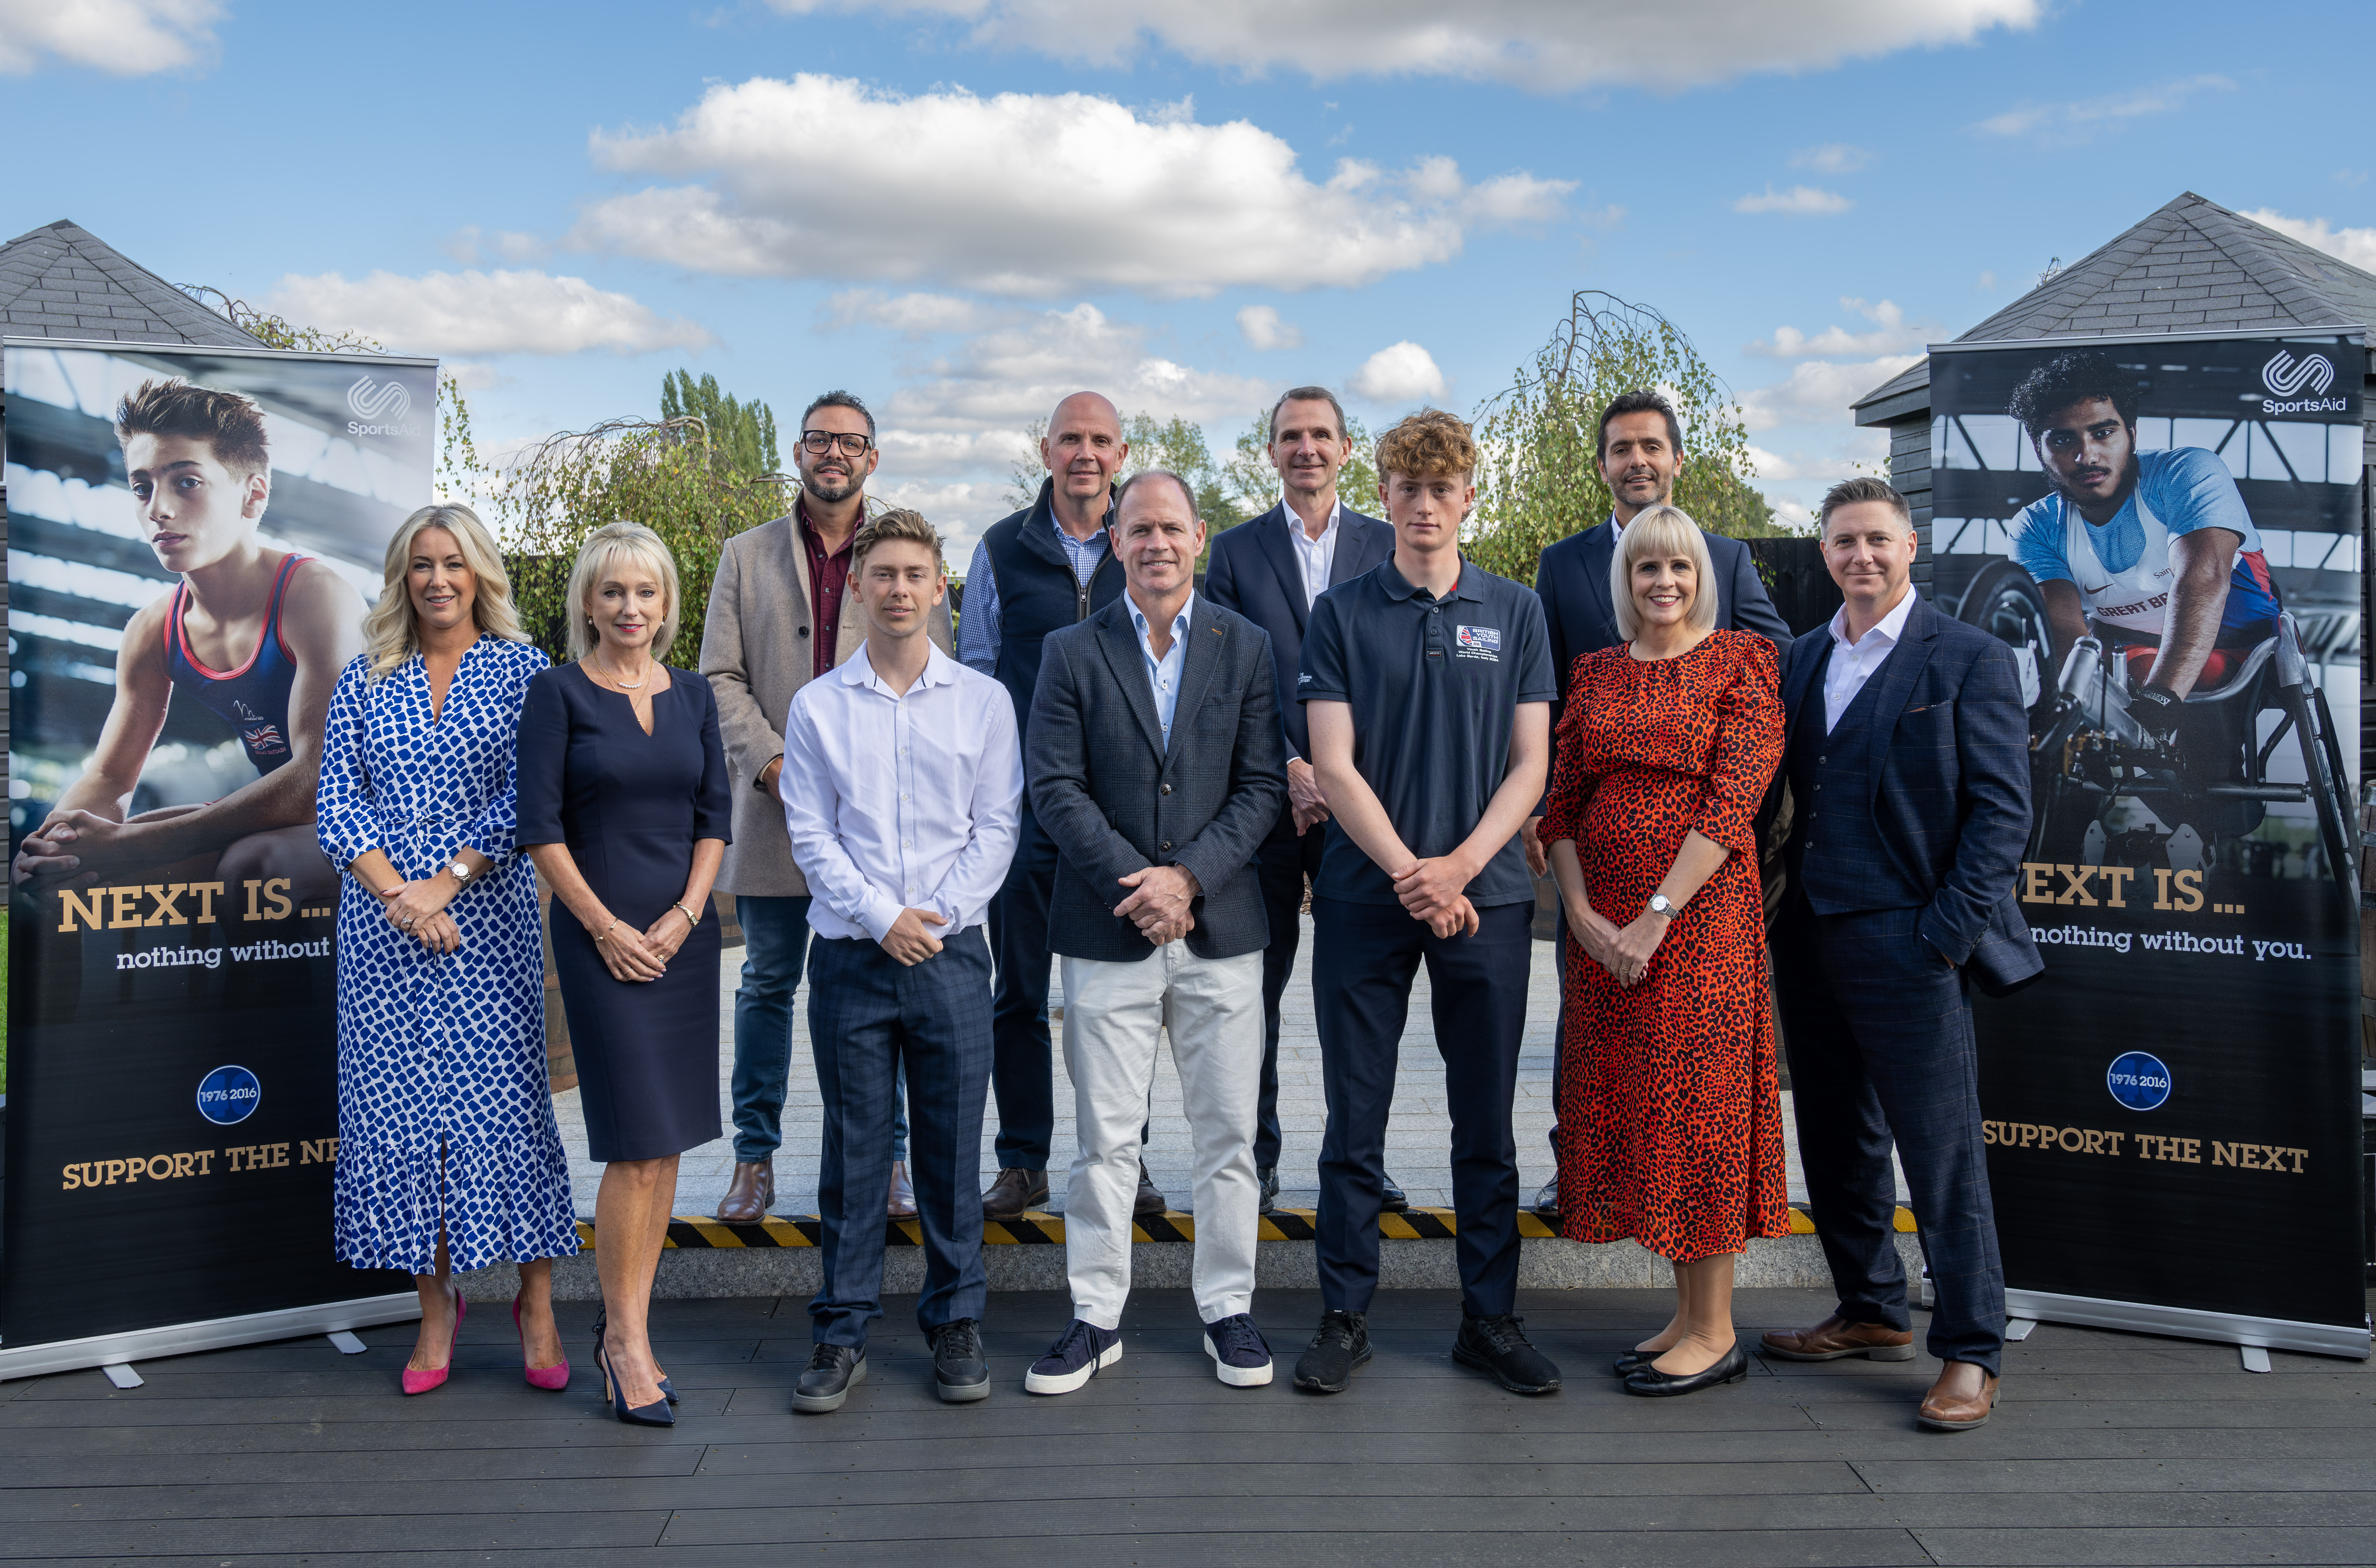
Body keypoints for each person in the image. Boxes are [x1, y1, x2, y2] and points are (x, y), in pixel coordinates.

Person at [1761, 477, 2040, 1433]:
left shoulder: (1969, 656)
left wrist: (1945, 935)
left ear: (1910, 547)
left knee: (1940, 1153)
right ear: (1826, 553)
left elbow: (2002, 814)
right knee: (1836, 1139)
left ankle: (1971, 1349)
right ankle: (1870, 1308)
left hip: (1912, 940)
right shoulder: (1800, 658)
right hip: (1807, 938)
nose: (1861, 556)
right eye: (1844, 542)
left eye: (1878, 539)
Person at [1294, 409, 1560, 1397]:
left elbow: (1530, 765)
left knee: (1483, 1120)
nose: (1422, 505)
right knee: (1354, 1116)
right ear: (1384, 495)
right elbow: (1332, 764)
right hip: (1364, 894)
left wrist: (1458, 869)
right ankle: (1343, 1314)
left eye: (1440, 488)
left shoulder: (1516, 611)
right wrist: (1413, 869)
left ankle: (1488, 1319)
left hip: (1487, 898)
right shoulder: (1341, 613)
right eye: (1406, 487)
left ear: (1467, 499)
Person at [1021, 470, 1288, 1394]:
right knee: (1104, 1142)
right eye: (1139, 530)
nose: (1156, 544)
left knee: (1227, 1137)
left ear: (1198, 537)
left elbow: (1263, 784)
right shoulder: (1069, 650)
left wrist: (1188, 879)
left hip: (1222, 927)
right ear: (1116, 542)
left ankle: (1228, 1308)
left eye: (1171, 528)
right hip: (1106, 929)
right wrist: (1141, 886)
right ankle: (1095, 1317)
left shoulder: (1245, 645)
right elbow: (1054, 786)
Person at [316, 503, 575, 1396]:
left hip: (486, 927)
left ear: (480, 575)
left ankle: (535, 1302)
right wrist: (401, 894)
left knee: (505, 1113)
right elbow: (337, 802)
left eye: (453, 563)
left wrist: (448, 881)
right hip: (383, 935)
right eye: (422, 564)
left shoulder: (523, 672)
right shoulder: (364, 678)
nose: (437, 580)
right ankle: (435, 1307)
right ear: (402, 577)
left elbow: (529, 793)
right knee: (399, 1121)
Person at [1539, 505, 1788, 1398]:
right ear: (1625, 580)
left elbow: (1733, 799)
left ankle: (1717, 1331)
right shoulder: (1594, 670)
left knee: (1698, 1110)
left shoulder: (1740, 661)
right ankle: (1686, 1317)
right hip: (1602, 934)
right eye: (1646, 568)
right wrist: (1579, 913)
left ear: (1701, 577)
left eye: (1679, 567)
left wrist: (1653, 916)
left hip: (1699, 926)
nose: (1664, 582)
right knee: (1643, 1106)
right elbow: (1560, 803)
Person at [1523, 388, 1788, 1217]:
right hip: (1593, 864)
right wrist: (1544, 817)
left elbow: (1780, 660)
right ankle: (1581, 1171)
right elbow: (1543, 691)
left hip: (1699, 883)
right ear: (1602, 464)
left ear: (1675, 458)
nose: (1636, 460)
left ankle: (1686, 1215)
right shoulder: (1561, 564)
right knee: (1593, 1034)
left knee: (1694, 1071)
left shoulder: (1724, 561)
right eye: (1620, 448)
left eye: (1650, 446)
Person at [781, 510, 1021, 1414]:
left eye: (915, 574)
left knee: (951, 1150)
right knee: (854, 1153)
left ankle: (955, 1320)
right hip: (852, 956)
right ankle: (841, 1328)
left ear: (938, 588)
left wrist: (937, 919)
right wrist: (884, 919)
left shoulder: (983, 703)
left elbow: (997, 827)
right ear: (860, 586)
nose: (897, 589)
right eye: (882, 573)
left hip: (951, 956)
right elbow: (811, 834)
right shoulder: (818, 707)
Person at [701, 390, 953, 1223]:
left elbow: (935, 684)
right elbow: (718, 677)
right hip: (775, 811)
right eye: (818, 439)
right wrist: (773, 763)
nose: (833, 453)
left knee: (886, 988)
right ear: (798, 452)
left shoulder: (905, 557)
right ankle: (753, 1158)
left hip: (877, 825)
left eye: (850, 442)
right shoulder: (744, 556)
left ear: (872, 458)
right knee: (767, 983)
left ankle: (890, 1159)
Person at [519, 522, 733, 1428]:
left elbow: (715, 818)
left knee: (667, 1142)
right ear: (587, 602)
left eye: (645, 591)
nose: (630, 607)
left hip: (681, 940)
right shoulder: (557, 693)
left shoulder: (694, 695)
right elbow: (540, 828)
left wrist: (686, 916)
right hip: (600, 939)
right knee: (631, 1141)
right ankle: (623, 1344)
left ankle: (629, 1327)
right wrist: (604, 927)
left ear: (667, 602)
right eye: (613, 591)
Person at [14, 379, 364, 915]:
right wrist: (52, 844)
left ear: (253, 494)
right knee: (82, 868)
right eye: (142, 488)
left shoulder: (316, 596)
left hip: (390, 818)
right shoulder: (152, 630)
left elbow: (319, 778)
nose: (159, 508)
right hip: (298, 819)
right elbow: (108, 777)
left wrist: (135, 844)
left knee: (255, 866)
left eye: (187, 482)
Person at [1201, 386, 1408, 1217]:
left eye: (1320, 434)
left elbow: (1400, 679)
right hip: (1268, 805)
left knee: (1358, 1001)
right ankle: (1253, 1162)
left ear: (1345, 449)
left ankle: (1360, 1162)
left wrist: (1339, 774)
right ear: (1270, 451)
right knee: (1253, 993)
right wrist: (1288, 765)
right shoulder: (1233, 552)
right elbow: (1222, 676)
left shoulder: (1387, 542)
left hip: (1363, 805)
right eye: (1290, 435)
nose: (1306, 448)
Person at [961, 391, 1165, 1222]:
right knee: (1016, 994)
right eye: (1069, 439)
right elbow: (976, 677)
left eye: (1099, 440)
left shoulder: (1143, 544)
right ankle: (1023, 1162)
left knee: (1118, 1003)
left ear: (1120, 454)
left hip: (1120, 821)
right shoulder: (999, 548)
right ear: (1044, 450)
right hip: (1022, 814)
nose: (1084, 453)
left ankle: (1126, 1159)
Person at [2008, 349, 2279, 707]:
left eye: (2103, 433)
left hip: (2241, 640)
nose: (2087, 456)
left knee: (2205, 707)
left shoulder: (2186, 472)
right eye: (2062, 440)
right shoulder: (2034, 527)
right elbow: (2065, 635)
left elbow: (2203, 580)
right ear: (2038, 450)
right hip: (2134, 650)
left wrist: (2162, 695)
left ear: (2132, 435)